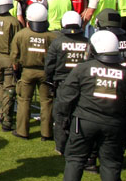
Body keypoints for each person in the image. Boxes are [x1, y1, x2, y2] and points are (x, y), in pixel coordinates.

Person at [55, 30, 126, 181]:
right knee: (110, 164)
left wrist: (62, 123)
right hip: (114, 125)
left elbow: (65, 99)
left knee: (75, 160)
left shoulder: (82, 69)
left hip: (83, 123)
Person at [45, 10, 88, 154]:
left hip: (63, 84)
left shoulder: (57, 42)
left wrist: (49, 80)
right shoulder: (87, 42)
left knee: (61, 116)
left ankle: (61, 146)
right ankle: (79, 143)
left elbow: (49, 64)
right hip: (82, 85)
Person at [10, 2, 55, 140]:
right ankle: (47, 133)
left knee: (24, 100)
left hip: (27, 72)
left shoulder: (21, 35)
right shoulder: (52, 36)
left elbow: (14, 57)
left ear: (28, 20)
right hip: (45, 72)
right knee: (46, 102)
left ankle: (22, 131)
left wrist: (16, 72)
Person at [0, 0, 22, 132]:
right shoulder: (13, 22)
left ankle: (1, 113)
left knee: (0, 87)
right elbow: (18, 44)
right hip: (9, 60)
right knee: (9, 90)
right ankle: (7, 121)